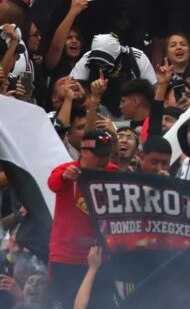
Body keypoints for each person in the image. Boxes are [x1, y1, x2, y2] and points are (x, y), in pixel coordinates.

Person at [47, 130, 118, 309]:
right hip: (66, 258)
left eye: (107, 154)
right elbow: (52, 183)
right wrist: (65, 177)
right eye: (100, 155)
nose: (104, 160)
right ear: (84, 151)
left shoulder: (112, 173)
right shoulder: (66, 170)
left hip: (98, 258)